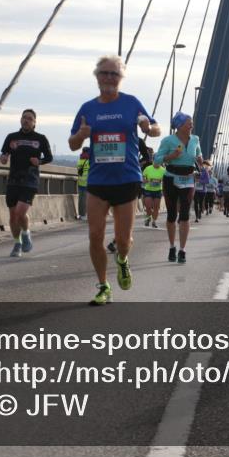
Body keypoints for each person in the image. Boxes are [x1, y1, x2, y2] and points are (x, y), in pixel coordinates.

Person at [69, 55, 160, 306]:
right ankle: (103, 286)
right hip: (98, 181)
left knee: (122, 240)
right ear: (96, 77)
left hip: (127, 178)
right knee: (95, 235)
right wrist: (81, 134)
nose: (109, 78)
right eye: (104, 73)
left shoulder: (131, 103)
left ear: (121, 78)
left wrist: (148, 127)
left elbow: (156, 128)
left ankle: (122, 260)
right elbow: (73, 144)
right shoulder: (88, 108)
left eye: (114, 74)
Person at [1, 109, 54, 257]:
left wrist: (40, 161)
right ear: (20, 120)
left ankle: (26, 233)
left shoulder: (41, 138)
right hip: (13, 180)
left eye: (30, 119)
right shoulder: (12, 137)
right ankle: (17, 243)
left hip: (30, 180)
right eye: (24, 118)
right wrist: (4, 158)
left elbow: (49, 157)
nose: (26, 120)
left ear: (34, 122)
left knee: (20, 212)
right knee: (13, 216)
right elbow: (4, 154)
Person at [154, 112, 203, 263]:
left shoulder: (195, 139)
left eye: (192, 122)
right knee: (171, 215)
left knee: (185, 214)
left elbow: (199, 155)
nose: (192, 125)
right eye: (189, 123)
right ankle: (171, 247)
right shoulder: (168, 141)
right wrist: (172, 156)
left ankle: (182, 250)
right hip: (171, 178)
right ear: (180, 125)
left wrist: (201, 161)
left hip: (188, 178)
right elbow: (156, 161)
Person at [141, 158, 165, 228]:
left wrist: (163, 187)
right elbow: (143, 177)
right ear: (153, 161)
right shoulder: (148, 168)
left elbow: (165, 181)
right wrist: (145, 180)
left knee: (156, 208)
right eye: (156, 161)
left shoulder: (163, 170)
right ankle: (148, 217)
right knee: (148, 207)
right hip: (148, 190)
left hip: (158, 190)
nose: (157, 162)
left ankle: (154, 221)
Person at [76, 147, 91, 219]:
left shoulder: (79, 160)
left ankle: (81, 214)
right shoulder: (89, 161)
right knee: (86, 200)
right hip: (87, 182)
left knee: (80, 200)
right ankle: (85, 215)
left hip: (80, 182)